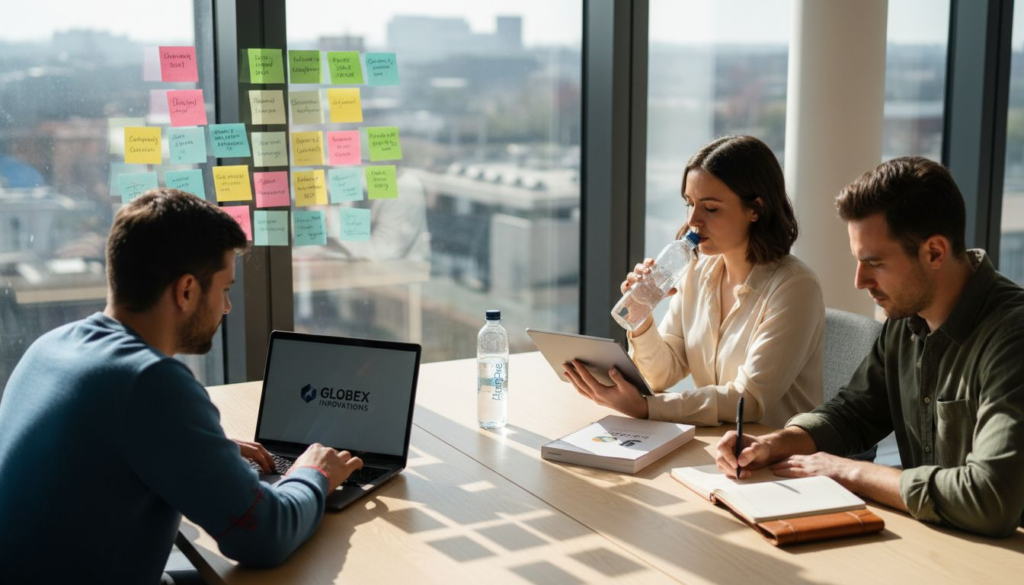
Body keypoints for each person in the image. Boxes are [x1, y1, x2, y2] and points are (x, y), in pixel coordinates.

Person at [0, 189, 364, 582]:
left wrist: (201, 449)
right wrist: (314, 475)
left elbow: (105, 453)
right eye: (224, 289)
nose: (226, 307)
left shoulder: (52, 346)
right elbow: (264, 536)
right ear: (187, 290)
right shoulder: (149, 382)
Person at [715, 157, 1024, 538]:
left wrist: (852, 471)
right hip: (931, 541)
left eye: (874, 263)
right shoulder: (905, 319)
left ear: (935, 252)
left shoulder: (1013, 338)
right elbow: (855, 412)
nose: (860, 281)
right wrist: (775, 443)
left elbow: (989, 497)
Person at [564, 135, 825, 427]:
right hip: (716, 446)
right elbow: (661, 374)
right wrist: (642, 317)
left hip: (777, 457)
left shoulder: (795, 287)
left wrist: (646, 408)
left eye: (710, 208)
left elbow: (748, 402)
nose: (693, 221)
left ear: (756, 209)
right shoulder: (697, 271)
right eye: (690, 204)